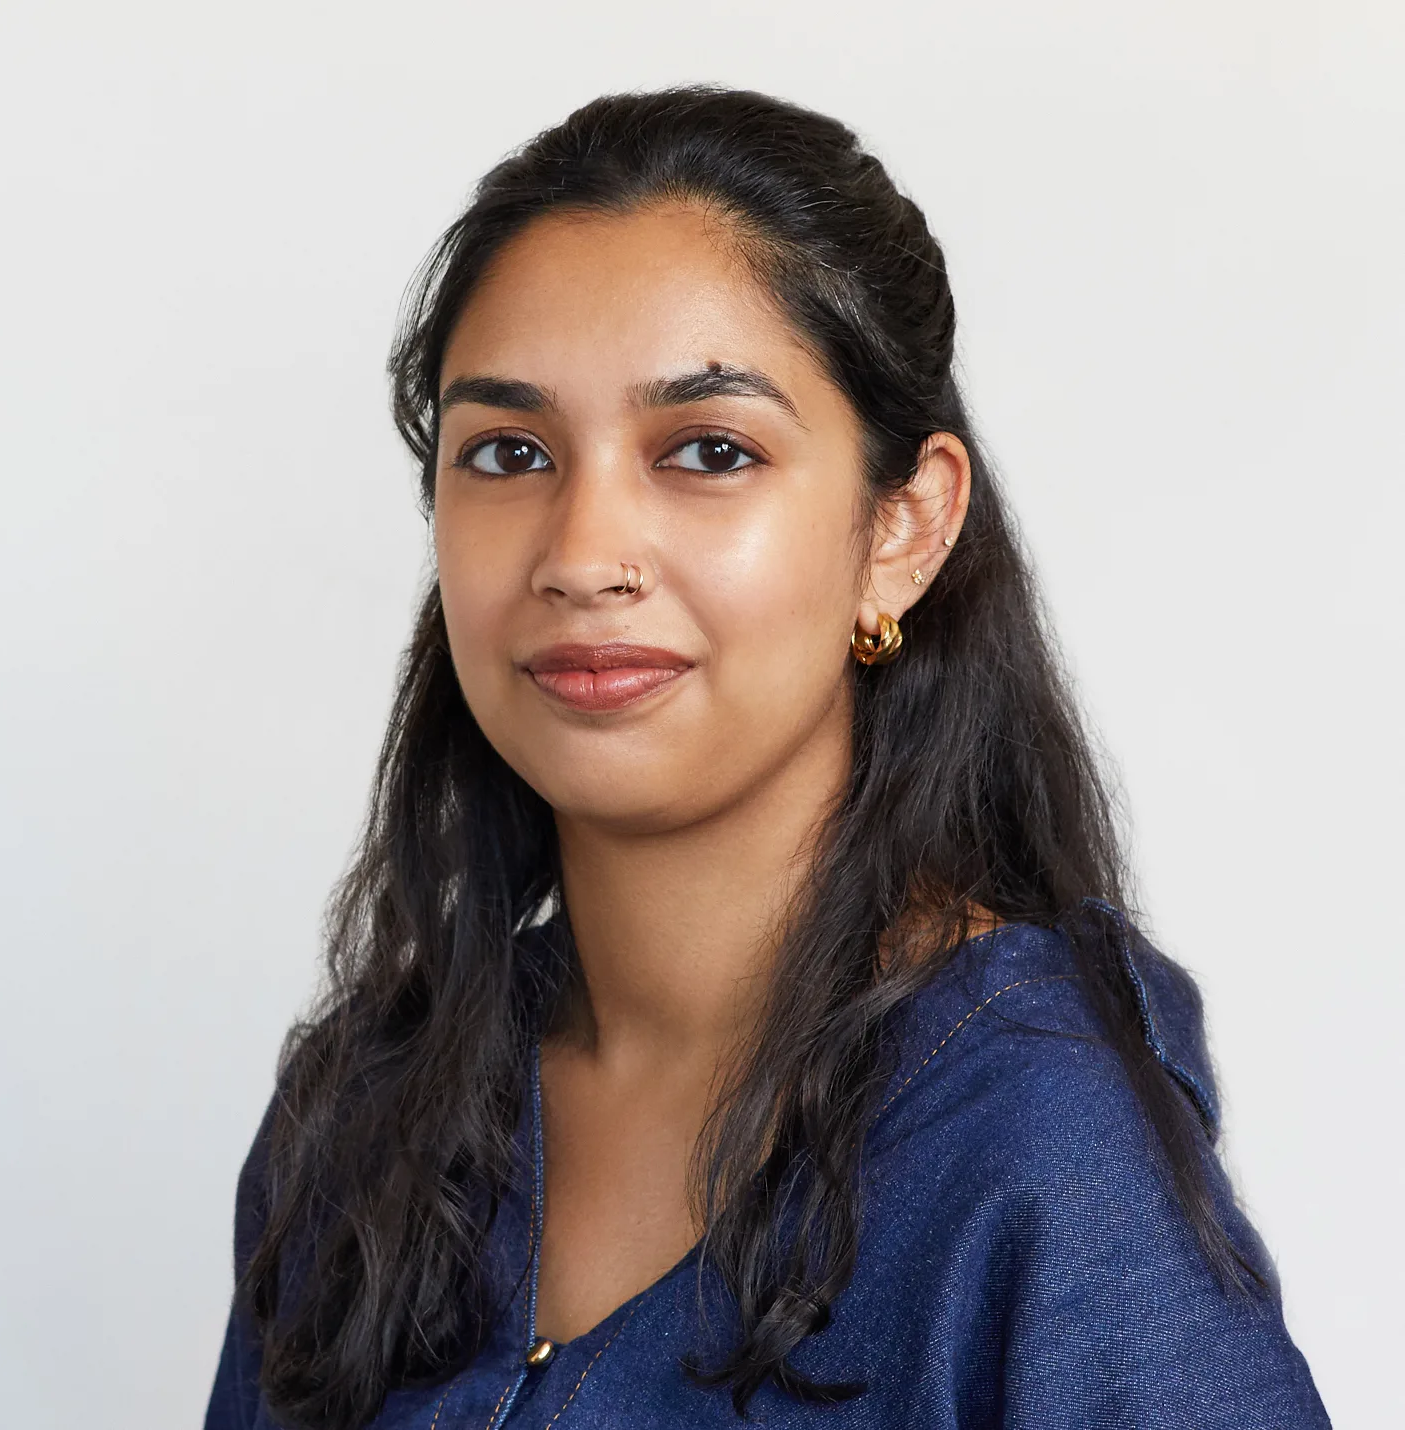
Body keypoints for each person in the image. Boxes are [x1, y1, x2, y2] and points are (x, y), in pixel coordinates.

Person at [204, 87, 1330, 1429]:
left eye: (708, 451)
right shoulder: (365, 1118)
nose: (581, 555)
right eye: (508, 452)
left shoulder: (1036, 1151)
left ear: (902, 528)